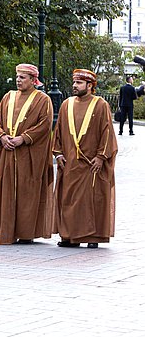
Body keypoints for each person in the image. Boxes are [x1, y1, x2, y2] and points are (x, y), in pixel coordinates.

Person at [0, 64, 53, 245]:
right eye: (18, 77)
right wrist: (2, 137)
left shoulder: (42, 100)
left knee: (26, 191)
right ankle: (4, 228)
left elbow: (44, 125)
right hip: (7, 153)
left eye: (22, 78)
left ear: (33, 80)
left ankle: (25, 232)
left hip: (27, 155)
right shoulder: (8, 97)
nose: (18, 81)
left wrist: (24, 138)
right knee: (4, 189)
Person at [53, 69, 117, 248]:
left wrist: (101, 156)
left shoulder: (100, 105)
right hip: (70, 163)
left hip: (91, 164)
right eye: (74, 82)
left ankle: (93, 237)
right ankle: (70, 236)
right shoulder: (67, 104)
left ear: (90, 86)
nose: (74, 86)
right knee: (69, 200)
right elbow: (58, 132)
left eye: (79, 83)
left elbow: (107, 133)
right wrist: (58, 154)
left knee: (91, 200)